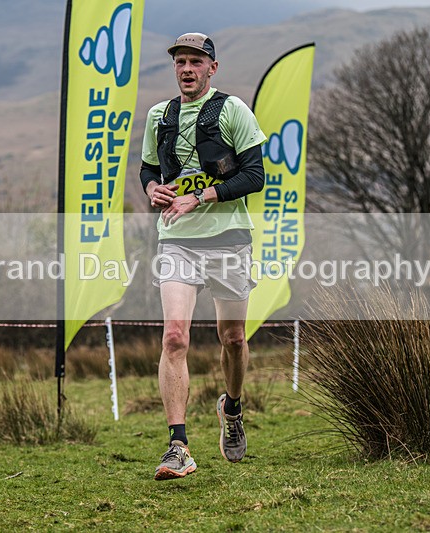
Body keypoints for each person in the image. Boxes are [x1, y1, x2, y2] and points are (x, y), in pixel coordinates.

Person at [139, 32, 267, 480]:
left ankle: (231, 408)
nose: (187, 69)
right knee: (174, 337)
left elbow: (255, 176)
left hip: (229, 237)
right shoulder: (160, 115)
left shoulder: (232, 111)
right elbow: (149, 169)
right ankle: (178, 446)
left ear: (213, 67)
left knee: (232, 338)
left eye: (196, 61)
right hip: (177, 239)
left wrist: (202, 196)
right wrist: (152, 189)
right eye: (180, 62)